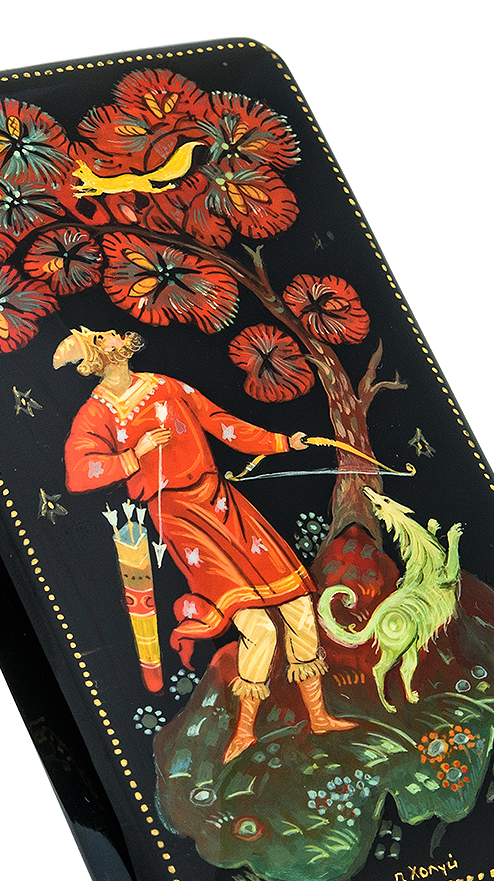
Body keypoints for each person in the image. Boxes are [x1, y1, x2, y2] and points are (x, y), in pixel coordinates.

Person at [54, 326, 355, 762]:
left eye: (112, 334)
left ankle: (320, 716)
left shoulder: (165, 385)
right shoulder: (95, 414)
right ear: (95, 360)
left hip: (221, 500)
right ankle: (244, 732)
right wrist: (135, 454)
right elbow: (78, 474)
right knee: (258, 626)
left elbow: (221, 423)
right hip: (178, 516)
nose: (117, 338)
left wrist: (282, 442)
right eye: (104, 339)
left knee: (298, 606)